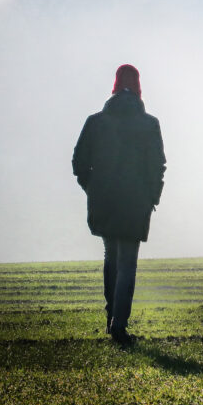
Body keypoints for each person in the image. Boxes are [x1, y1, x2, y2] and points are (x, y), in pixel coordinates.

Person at [73, 64, 166, 345]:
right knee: (127, 263)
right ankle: (119, 325)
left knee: (111, 258)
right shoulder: (149, 124)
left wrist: (92, 188)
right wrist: (152, 196)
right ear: (138, 88)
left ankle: (110, 318)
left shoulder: (96, 121)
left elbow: (79, 163)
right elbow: (157, 166)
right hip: (135, 202)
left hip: (103, 200)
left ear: (114, 87)